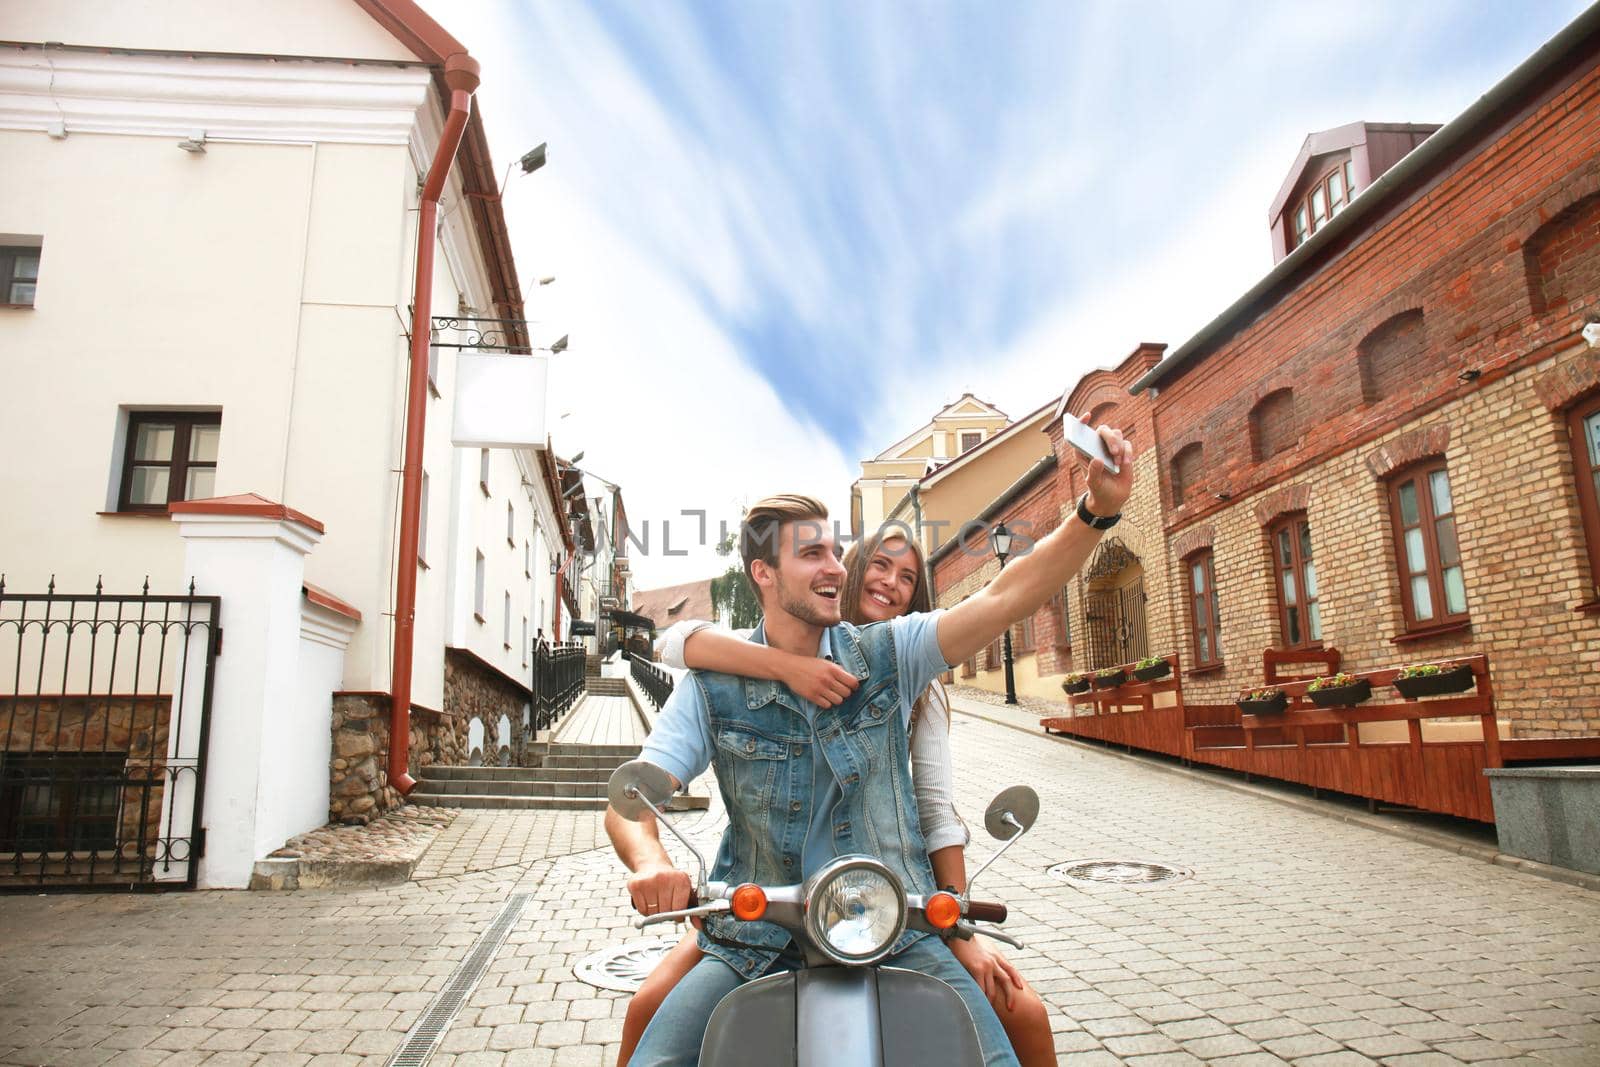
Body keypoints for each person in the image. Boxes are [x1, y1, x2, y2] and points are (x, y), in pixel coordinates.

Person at [605, 426, 1133, 1067]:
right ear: (763, 574)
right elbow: (634, 800)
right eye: (812, 555)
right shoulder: (713, 686)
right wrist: (648, 862)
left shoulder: (891, 655)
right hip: (754, 933)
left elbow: (1004, 596)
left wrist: (1094, 512)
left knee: (993, 1058)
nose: (835, 568)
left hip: (897, 929)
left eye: (835, 552)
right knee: (656, 1059)